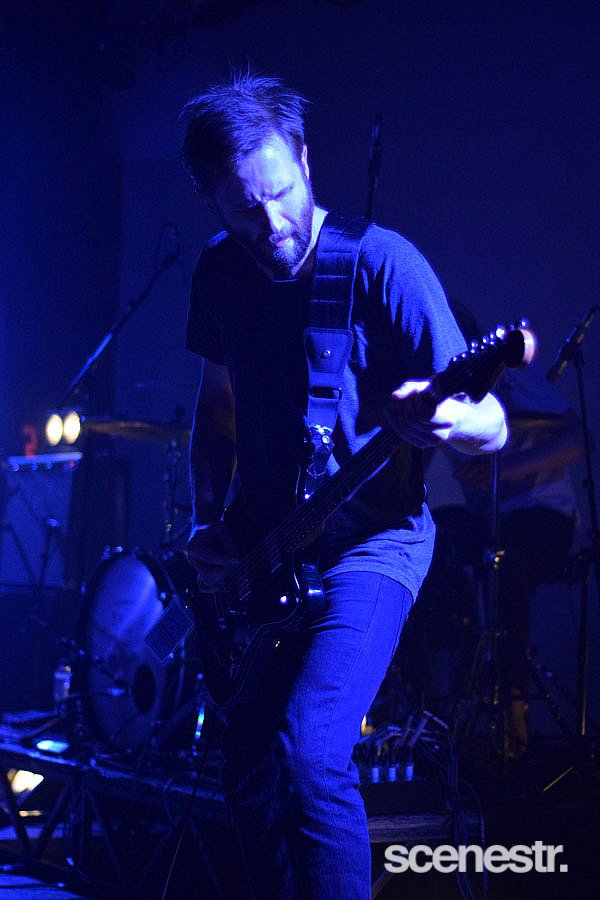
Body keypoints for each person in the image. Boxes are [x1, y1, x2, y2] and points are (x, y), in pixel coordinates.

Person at [180, 72, 506, 900]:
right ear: (211, 202)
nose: (272, 224)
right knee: (246, 768)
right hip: (266, 549)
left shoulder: (383, 263)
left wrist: (444, 419)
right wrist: (207, 523)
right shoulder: (218, 273)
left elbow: (494, 425)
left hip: (373, 543)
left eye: (280, 194)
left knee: (310, 748)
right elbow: (215, 409)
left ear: (304, 159)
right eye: (244, 209)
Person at [444, 301, 583, 755]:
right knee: (432, 547)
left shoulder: (515, 378)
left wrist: (504, 469)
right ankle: (443, 700)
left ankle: (513, 706)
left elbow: (578, 438)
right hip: (486, 519)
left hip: (543, 516)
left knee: (507, 563)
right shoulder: (442, 393)